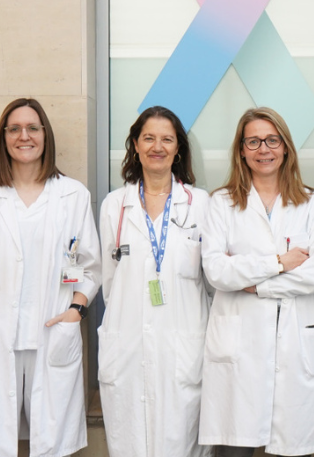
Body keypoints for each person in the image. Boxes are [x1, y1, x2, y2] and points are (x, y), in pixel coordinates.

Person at [0, 98, 101, 457]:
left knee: (51, 445)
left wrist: (75, 309)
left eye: (32, 128)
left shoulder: (72, 194)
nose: (24, 136)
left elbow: (85, 263)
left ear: (45, 135)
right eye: (14, 129)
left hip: (51, 332)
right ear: (3, 137)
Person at [199, 107, 314, 457]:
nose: (264, 149)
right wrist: (279, 263)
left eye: (272, 140)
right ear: (241, 150)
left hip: (295, 344)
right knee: (234, 449)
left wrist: (256, 284)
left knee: (292, 445)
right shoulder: (221, 203)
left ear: (286, 147)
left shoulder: (313, 203)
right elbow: (217, 271)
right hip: (239, 348)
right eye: (254, 141)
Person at [98, 106, 212, 457]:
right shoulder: (115, 205)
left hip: (183, 348)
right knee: (130, 440)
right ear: (135, 145)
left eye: (167, 139)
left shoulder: (201, 204)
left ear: (178, 148)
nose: (157, 147)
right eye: (148, 138)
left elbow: (212, 283)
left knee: (181, 441)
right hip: (127, 346)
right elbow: (109, 282)